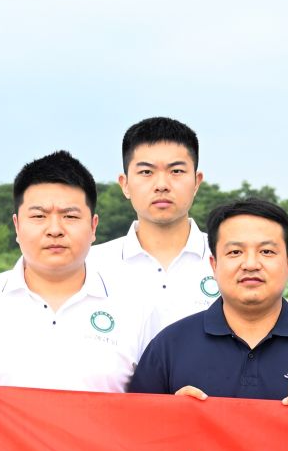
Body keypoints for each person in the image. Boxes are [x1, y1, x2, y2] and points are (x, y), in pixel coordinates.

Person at [130, 197, 288, 404]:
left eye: (266, 251)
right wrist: (170, 417)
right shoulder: (169, 346)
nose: (250, 264)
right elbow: (137, 433)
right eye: (235, 252)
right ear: (214, 265)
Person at [0, 150, 152, 391]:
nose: (55, 230)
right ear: (17, 225)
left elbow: (154, 402)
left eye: (70, 216)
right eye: (39, 216)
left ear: (93, 226)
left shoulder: (135, 309)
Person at [90, 116, 213, 325]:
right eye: (146, 172)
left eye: (176, 171)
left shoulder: (229, 260)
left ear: (196, 182)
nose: (162, 185)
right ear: (125, 184)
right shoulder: (90, 266)